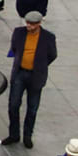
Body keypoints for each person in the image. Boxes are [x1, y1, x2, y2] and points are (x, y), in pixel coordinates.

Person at [4, 11, 57, 147]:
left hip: (36, 76)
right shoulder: (18, 32)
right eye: (27, 23)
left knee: (32, 108)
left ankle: (28, 136)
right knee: (13, 105)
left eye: (32, 24)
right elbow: (15, 49)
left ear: (39, 24)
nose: (29, 26)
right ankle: (14, 135)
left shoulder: (48, 37)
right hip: (20, 74)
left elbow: (52, 55)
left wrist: (39, 66)